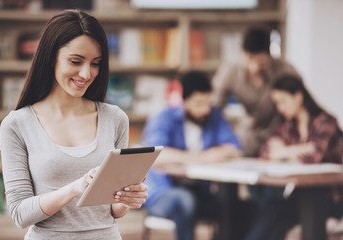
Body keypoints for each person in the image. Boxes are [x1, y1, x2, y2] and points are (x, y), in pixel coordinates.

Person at [0, 9, 148, 240]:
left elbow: (111, 212)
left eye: (96, 63)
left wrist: (127, 200)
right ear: (51, 58)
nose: (86, 73)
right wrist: (76, 188)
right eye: (76, 61)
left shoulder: (115, 119)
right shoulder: (17, 124)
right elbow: (20, 214)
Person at [142, 70, 242, 240]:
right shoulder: (164, 117)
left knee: (236, 208)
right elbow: (155, 155)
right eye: (198, 104)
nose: (205, 109)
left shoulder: (214, 116)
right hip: (163, 191)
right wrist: (203, 157)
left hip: (199, 189)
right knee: (185, 201)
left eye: (208, 103)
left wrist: (222, 151)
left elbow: (235, 148)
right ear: (184, 101)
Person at [244, 74, 343, 240]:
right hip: (300, 196)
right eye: (277, 103)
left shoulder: (326, 123)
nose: (280, 108)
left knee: (274, 210)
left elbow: (313, 159)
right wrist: (294, 151)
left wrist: (284, 152)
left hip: (331, 198)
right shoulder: (288, 126)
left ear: (298, 97)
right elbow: (266, 152)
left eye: (283, 101)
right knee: (272, 213)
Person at [212, 27, 300, 157]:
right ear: (242, 53)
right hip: (248, 135)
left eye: (261, 63)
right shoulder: (229, 72)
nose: (254, 68)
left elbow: (301, 102)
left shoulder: (284, 69)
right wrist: (225, 136)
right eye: (250, 59)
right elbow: (214, 107)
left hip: (279, 135)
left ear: (270, 56)